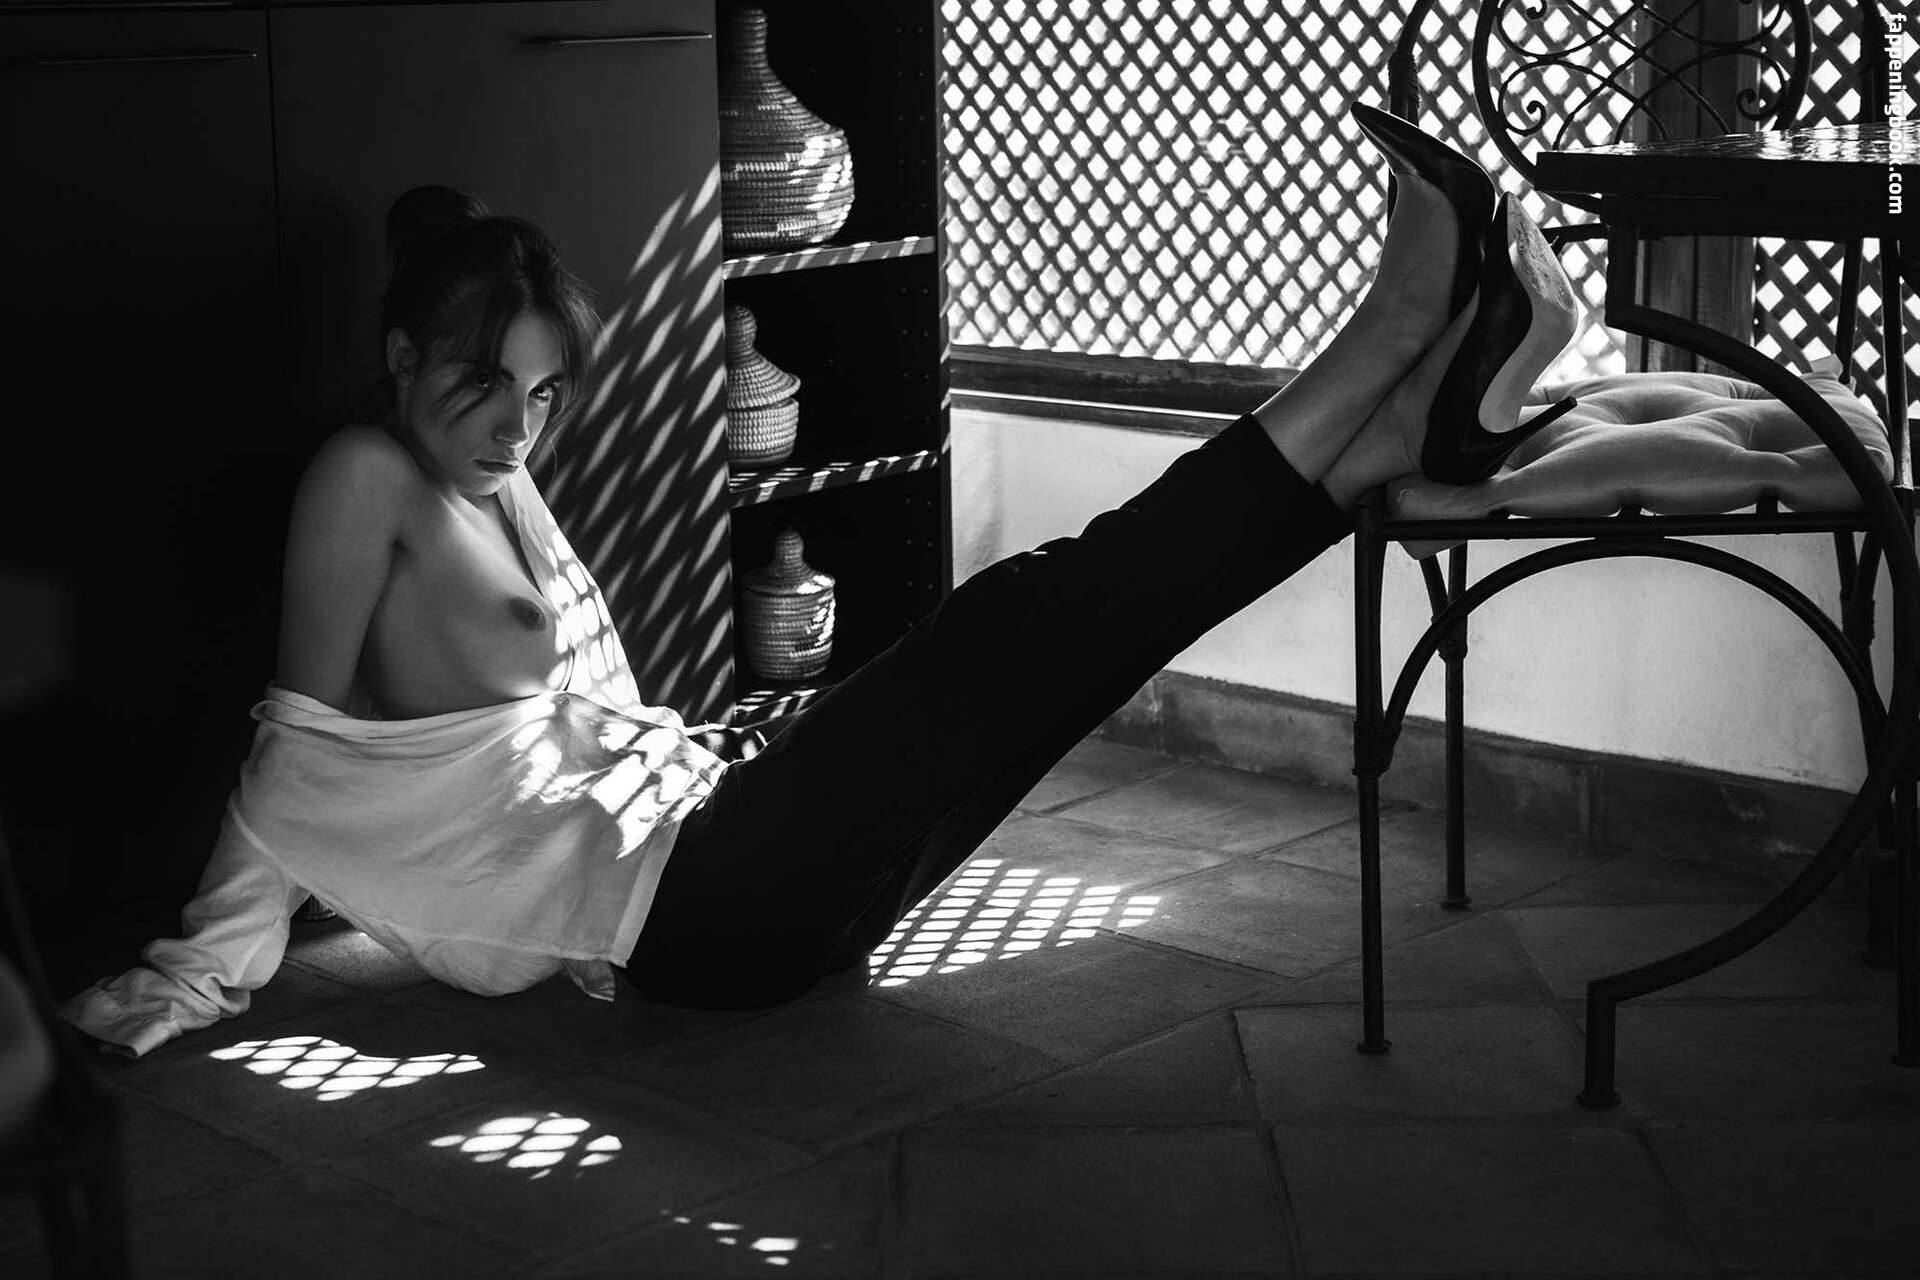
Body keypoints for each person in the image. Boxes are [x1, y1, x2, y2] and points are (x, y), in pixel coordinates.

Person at [60, 106, 1580, 1054]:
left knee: (1068, 650)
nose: (518, 428)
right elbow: (298, 746)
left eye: (541, 395)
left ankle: (1403, 437)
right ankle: (1395, 338)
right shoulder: (364, 475)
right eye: (481, 387)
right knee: (1027, 617)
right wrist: (201, 965)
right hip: (703, 910)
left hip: (717, 838)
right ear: (399, 358)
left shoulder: (481, 467)